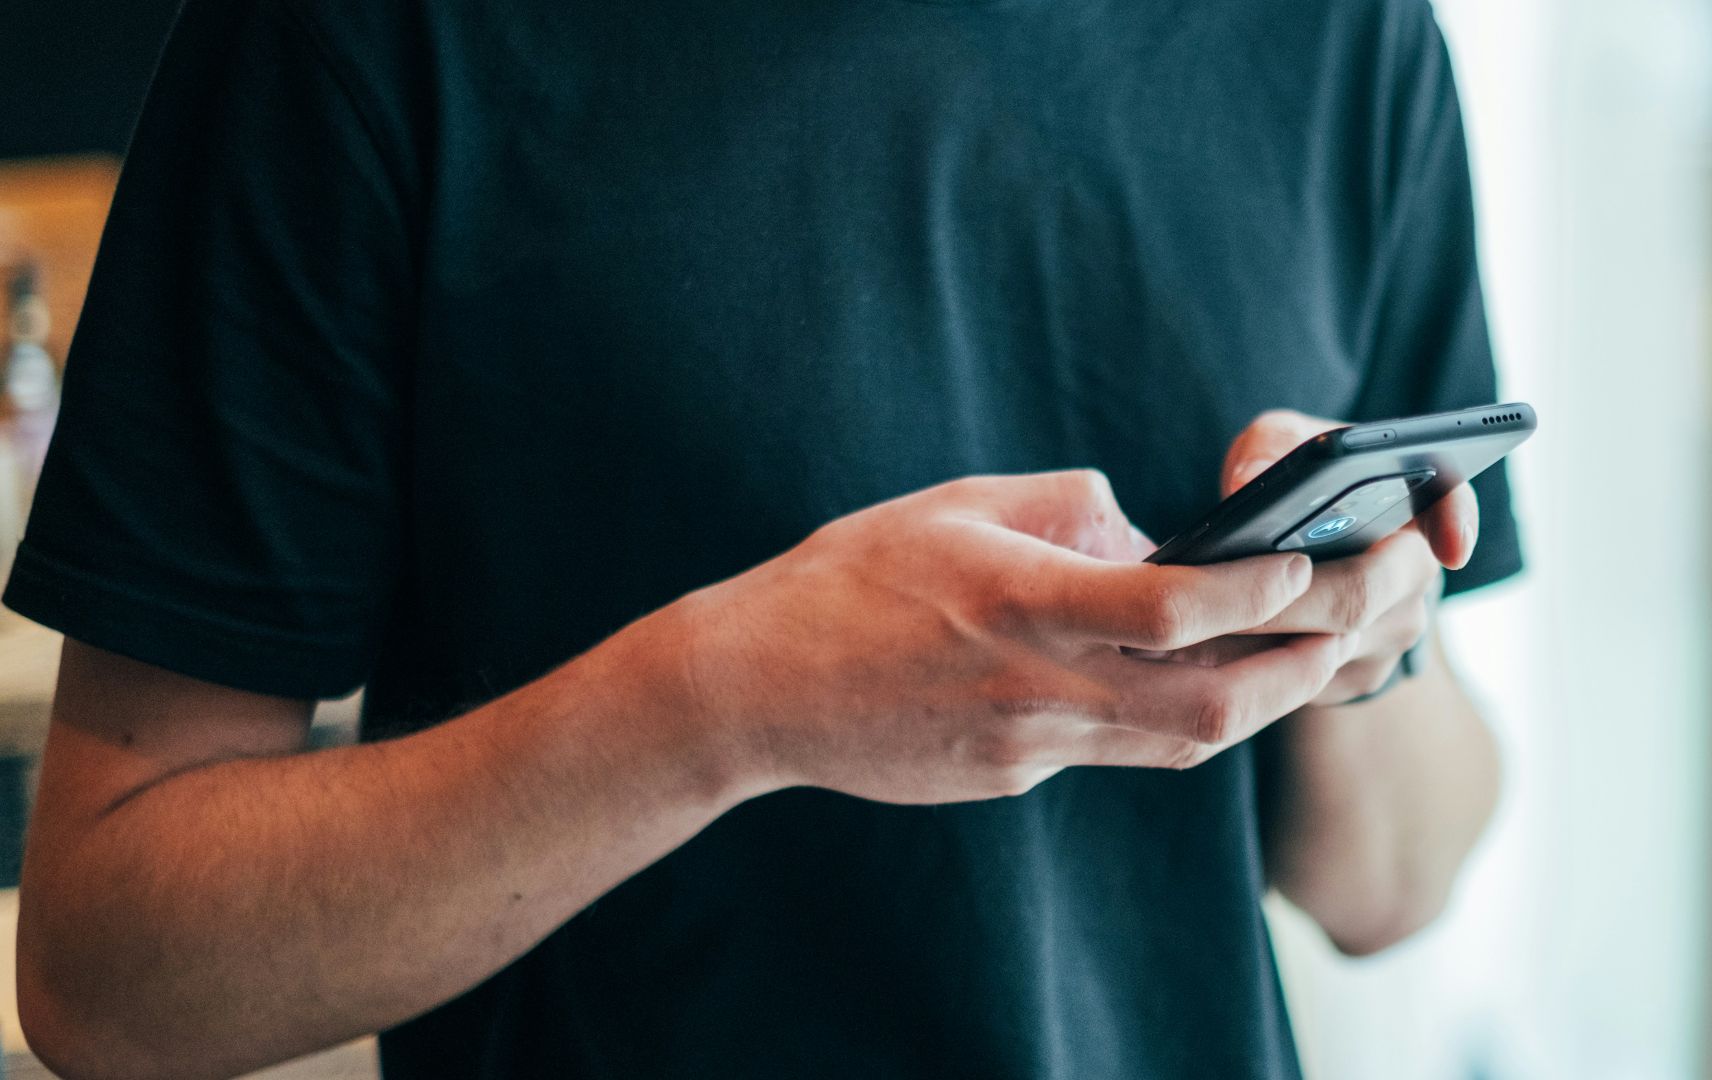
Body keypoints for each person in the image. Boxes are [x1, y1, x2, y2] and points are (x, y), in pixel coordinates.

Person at [7, 0, 1521, 1076]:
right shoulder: (355, 37)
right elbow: (114, 977)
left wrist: (1361, 646)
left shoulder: (1350, 40)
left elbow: (1388, 886)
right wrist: (728, 703)